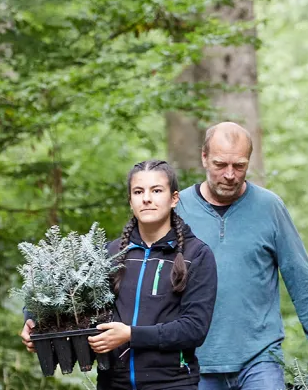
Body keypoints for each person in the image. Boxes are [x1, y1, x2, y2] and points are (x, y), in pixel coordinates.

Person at [20, 160, 218, 389]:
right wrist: (32, 318)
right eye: (138, 191)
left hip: (173, 383)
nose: (146, 198)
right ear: (130, 200)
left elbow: (194, 329)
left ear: (174, 198)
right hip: (113, 383)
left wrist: (131, 335)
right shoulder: (108, 255)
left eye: (156, 190)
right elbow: (62, 293)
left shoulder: (197, 255)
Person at [175, 122, 308, 389]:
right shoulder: (179, 210)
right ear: (204, 158)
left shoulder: (269, 207)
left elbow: (302, 283)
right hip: (196, 360)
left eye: (239, 166)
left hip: (260, 360)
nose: (229, 175)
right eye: (220, 164)